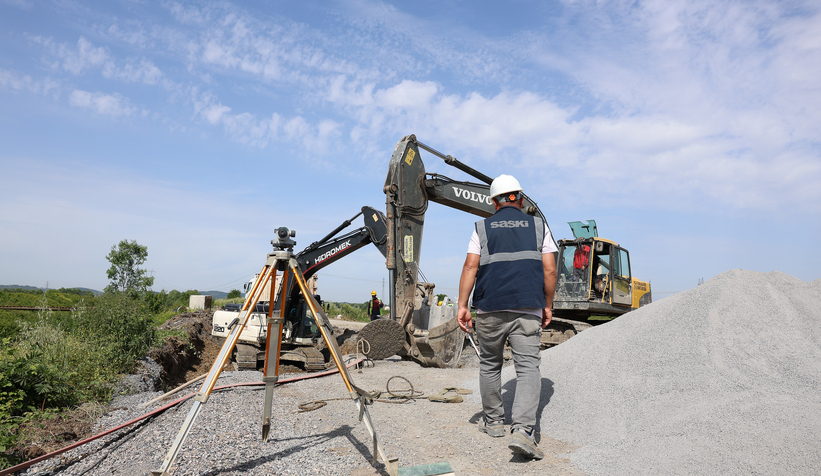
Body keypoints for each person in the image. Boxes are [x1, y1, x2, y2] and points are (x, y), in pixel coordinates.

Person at [457, 174, 557, 461]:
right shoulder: (539, 226)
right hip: (528, 307)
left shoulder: (482, 227)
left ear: (493, 202)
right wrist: (547, 304)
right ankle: (524, 431)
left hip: (489, 307)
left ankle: (494, 423)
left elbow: (469, 267)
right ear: (521, 198)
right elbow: (550, 270)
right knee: (527, 369)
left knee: (490, 364)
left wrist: (463, 305)